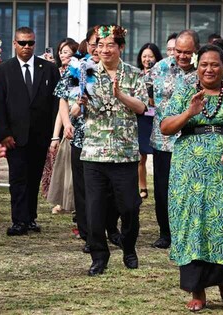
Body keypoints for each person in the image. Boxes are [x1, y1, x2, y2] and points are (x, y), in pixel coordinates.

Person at [161, 44, 223, 312]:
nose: (209, 69)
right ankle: (197, 290)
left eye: (215, 64)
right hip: (188, 173)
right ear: (197, 65)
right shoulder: (185, 93)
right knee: (192, 225)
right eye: (204, 64)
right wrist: (188, 114)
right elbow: (165, 127)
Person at [62, 24, 147, 275]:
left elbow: (141, 108)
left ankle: (129, 248)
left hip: (125, 153)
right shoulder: (84, 72)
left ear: (121, 47)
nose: (105, 49)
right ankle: (99, 256)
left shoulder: (133, 74)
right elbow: (73, 111)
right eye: (100, 44)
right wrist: (79, 104)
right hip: (94, 152)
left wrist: (120, 94)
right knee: (95, 209)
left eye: (111, 44)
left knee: (130, 207)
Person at [0, 26, 60, 236]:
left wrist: (53, 134)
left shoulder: (48, 68)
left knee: (34, 178)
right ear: (14, 44)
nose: (26, 47)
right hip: (14, 136)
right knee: (18, 178)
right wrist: (4, 133)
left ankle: (30, 218)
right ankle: (18, 220)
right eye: (22, 43)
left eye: (30, 43)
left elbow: (56, 102)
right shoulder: (3, 70)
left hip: (41, 135)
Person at [149, 30, 199, 249]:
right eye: (178, 51)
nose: (182, 56)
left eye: (187, 52)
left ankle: (186, 232)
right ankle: (165, 233)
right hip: (164, 140)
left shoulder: (202, 71)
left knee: (189, 189)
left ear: (195, 50)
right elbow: (145, 94)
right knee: (162, 190)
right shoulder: (159, 68)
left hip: (192, 140)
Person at [47, 38, 79, 214]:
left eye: (67, 51)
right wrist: (55, 134)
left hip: (76, 125)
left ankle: (74, 204)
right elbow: (62, 106)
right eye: (61, 51)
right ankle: (63, 201)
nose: (62, 54)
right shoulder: (57, 72)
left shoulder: (80, 71)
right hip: (64, 123)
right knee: (63, 167)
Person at [136, 43, 163, 199]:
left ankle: (161, 185)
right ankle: (142, 186)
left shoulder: (161, 74)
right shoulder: (137, 75)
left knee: (159, 154)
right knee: (141, 155)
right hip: (142, 117)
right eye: (144, 56)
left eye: (150, 56)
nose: (147, 59)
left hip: (157, 117)